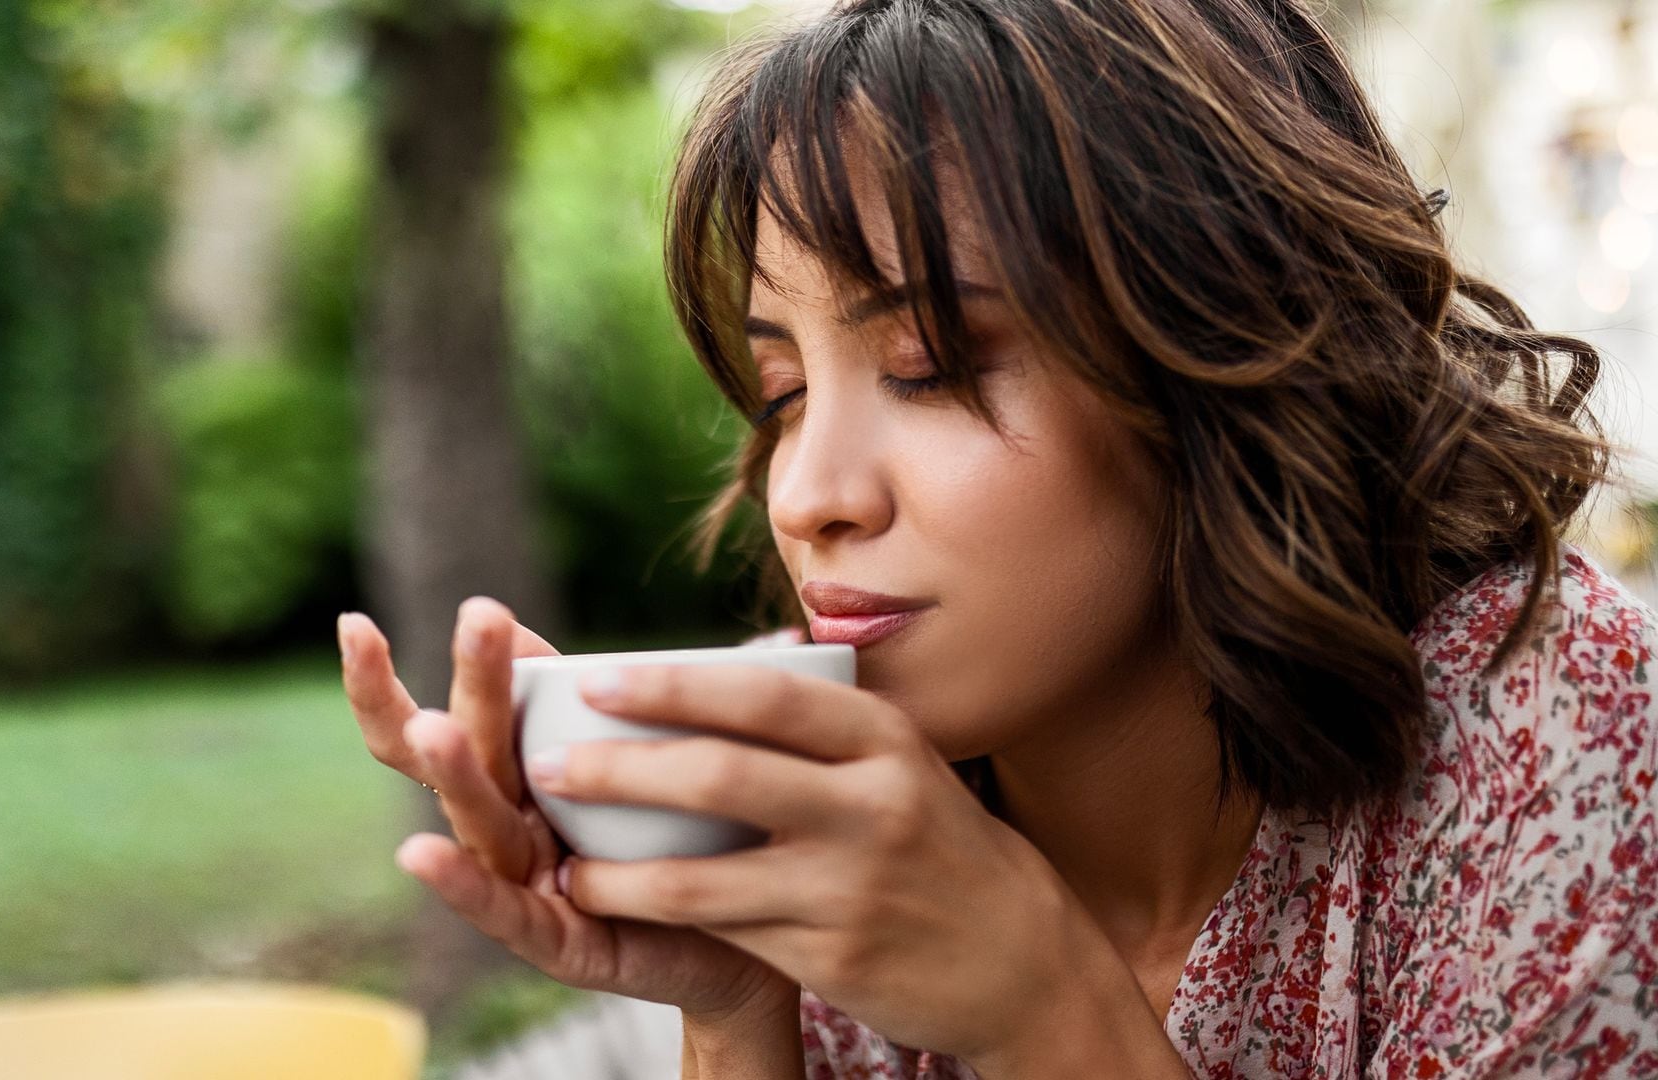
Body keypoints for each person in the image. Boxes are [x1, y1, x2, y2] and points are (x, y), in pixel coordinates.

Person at [336, 0, 1658, 1075]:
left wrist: (1043, 1008)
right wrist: (738, 1005)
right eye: (785, 393)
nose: (807, 496)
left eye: (934, 360)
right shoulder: (852, 808)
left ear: (1215, 352)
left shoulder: (1554, 742)